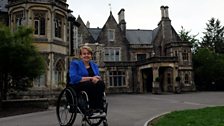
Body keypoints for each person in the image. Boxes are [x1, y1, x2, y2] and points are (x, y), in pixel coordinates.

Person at [69, 45, 106, 116]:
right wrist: (91, 78)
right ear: (80, 56)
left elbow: (98, 76)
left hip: (91, 85)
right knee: (89, 84)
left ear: (91, 55)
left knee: (101, 84)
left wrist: (97, 78)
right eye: (84, 54)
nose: (86, 55)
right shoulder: (75, 63)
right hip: (77, 85)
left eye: (88, 54)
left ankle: (98, 108)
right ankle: (91, 108)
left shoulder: (94, 65)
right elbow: (74, 78)